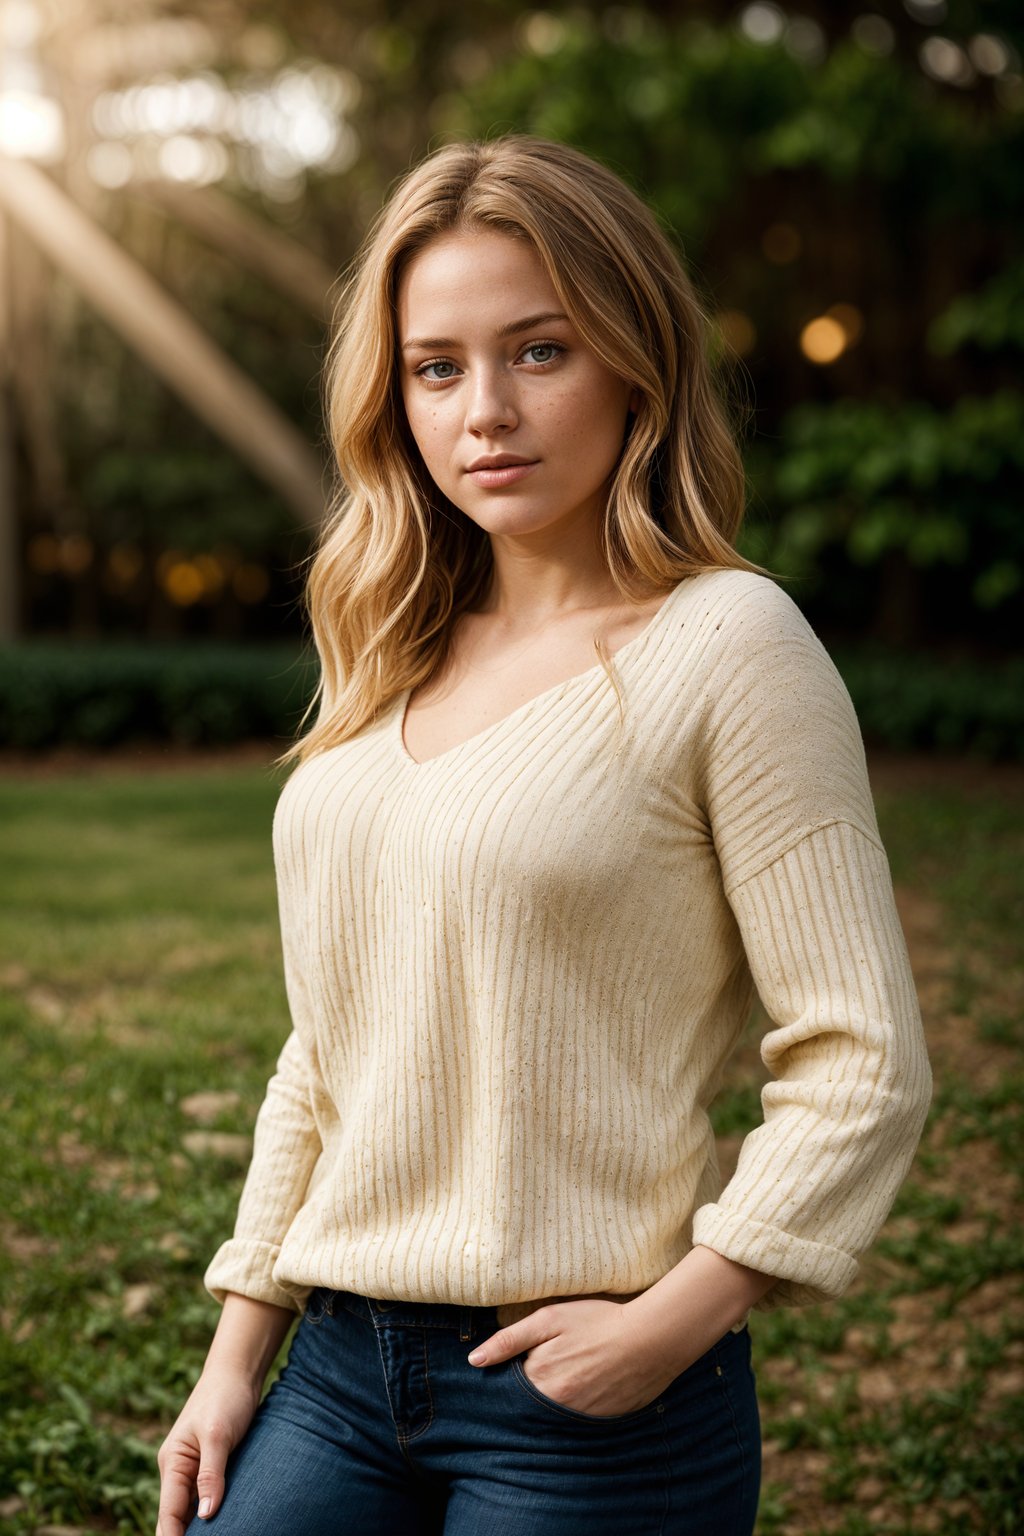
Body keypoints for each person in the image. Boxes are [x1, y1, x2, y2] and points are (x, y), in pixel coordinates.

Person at [155, 133, 932, 1536]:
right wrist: (233, 1359)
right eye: (437, 366)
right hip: (335, 1369)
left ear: (636, 360)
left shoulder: (730, 644)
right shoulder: (390, 649)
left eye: (541, 350)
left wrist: (679, 1321)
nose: (485, 413)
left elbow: (862, 1058)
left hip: (587, 1400)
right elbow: (329, 1055)